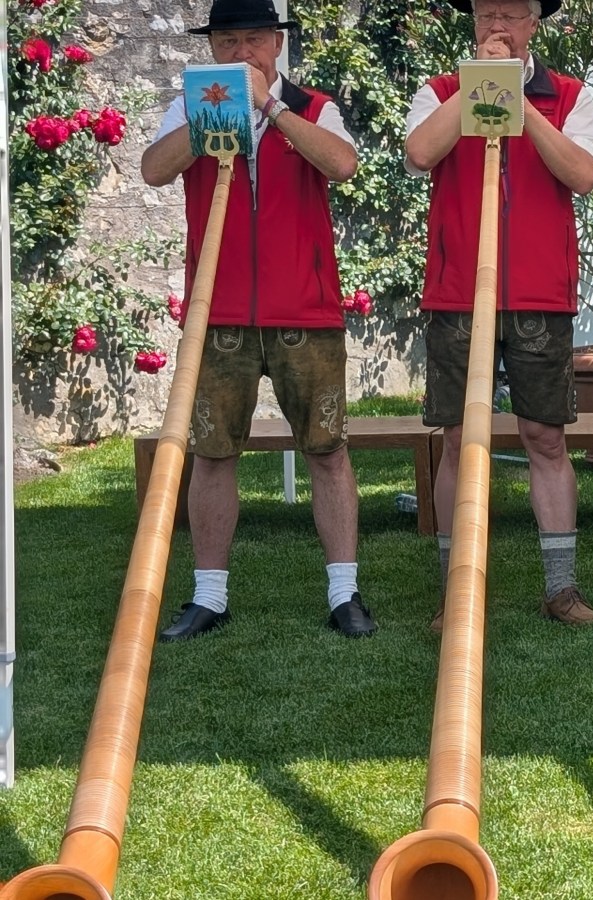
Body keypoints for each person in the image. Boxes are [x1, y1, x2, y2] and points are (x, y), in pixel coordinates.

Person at [141, 0, 375, 640]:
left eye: (253, 39)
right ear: (213, 48)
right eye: (228, 40)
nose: (241, 52)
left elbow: (342, 165)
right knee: (213, 454)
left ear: (276, 43)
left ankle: (345, 592)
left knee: (328, 451)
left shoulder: (314, 104)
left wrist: (271, 108)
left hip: (306, 308)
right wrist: (210, 114)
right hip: (217, 314)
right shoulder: (193, 103)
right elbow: (153, 170)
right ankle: (209, 595)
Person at [404, 0, 593, 629]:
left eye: (513, 15)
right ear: (471, 22)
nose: (499, 26)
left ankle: (562, 589)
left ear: (534, 25)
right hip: (458, 291)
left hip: (539, 292)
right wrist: (477, 88)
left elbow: (584, 175)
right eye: (487, 13)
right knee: (459, 441)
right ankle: (455, 593)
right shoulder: (438, 90)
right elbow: (419, 152)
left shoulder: (571, 94)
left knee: (545, 437)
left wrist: (519, 107)